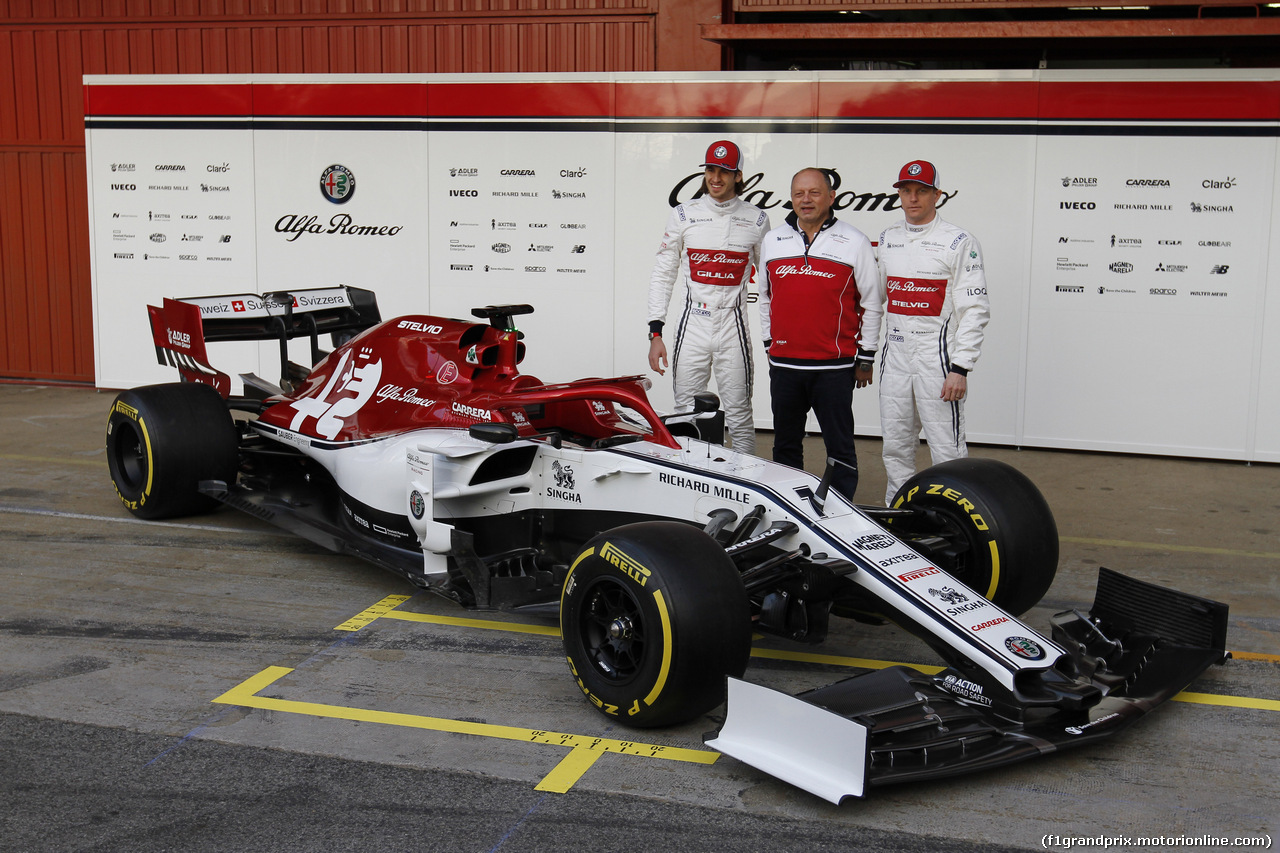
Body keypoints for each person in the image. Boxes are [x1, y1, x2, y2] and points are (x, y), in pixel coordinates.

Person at [758, 167, 883, 499]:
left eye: (814, 193)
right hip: (785, 365)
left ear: (831, 197)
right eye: (799, 193)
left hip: (834, 366)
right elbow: (765, 297)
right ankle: (788, 504)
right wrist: (770, 343)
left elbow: (872, 302)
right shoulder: (773, 240)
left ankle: (841, 508)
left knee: (839, 446)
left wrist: (866, 357)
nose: (806, 200)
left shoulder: (853, 241)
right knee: (785, 445)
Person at [877, 159, 991, 506]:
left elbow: (975, 310)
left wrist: (961, 368)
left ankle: (953, 518)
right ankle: (898, 517)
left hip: (937, 362)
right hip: (894, 359)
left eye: (921, 191)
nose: (913, 198)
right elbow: (875, 299)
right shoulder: (888, 238)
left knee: (947, 449)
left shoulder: (958, 241)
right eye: (906, 191)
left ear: (937, 195)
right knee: (896, 446)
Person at [647, 140, 771, 454]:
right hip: (693, 326)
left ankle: (745, 492)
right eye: (711, 170)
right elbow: (663, 273)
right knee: (685, 413)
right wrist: (655, 332)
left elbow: (770, 285)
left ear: (738, 176)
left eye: (725, 172)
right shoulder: (684, 215)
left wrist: (773, 337)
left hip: (733, 325)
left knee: (740, 415)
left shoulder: (756, 219)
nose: (716, 178)